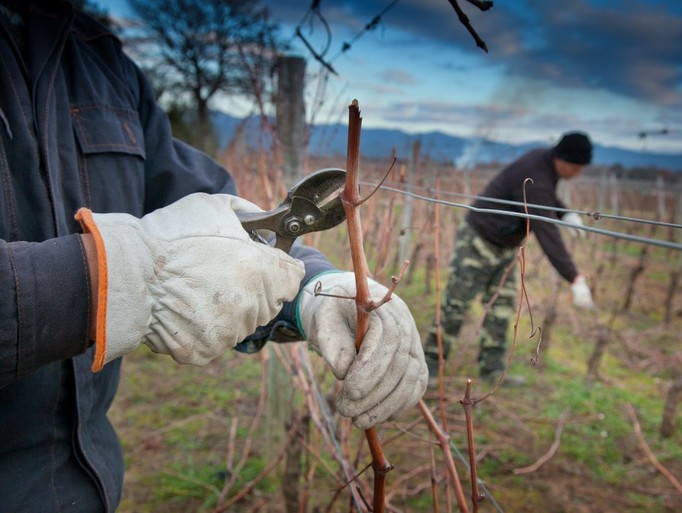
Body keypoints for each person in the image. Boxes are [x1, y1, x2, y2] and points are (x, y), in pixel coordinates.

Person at [0, 2, 428, 511]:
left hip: (89, 487)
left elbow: (201, 209)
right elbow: (156, 256)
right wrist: (105, 281)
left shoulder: (99, 59)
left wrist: (316, 289)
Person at [424, 131, 596, 384]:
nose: (577, 174)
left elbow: (545, 197)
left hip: (505, 247)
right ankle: (428, 367)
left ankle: (492, 372)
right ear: (560, 158)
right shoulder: (535, 172)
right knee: (456, 306)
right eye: (575, 168)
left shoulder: (544, 164)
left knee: (501, 310)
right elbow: (546, 229)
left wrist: (565, 213)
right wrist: (575, 278)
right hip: (478, 241)